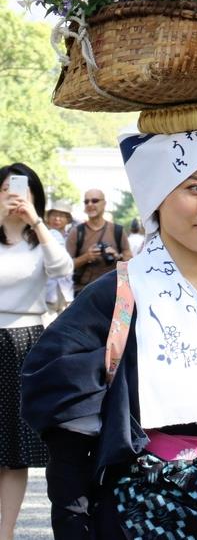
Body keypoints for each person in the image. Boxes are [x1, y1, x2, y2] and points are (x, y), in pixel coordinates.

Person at [22, 129, 197, 539]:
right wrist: (75, 520)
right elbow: (68, 424)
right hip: (145, 510)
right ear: (156, 197)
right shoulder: (113, 298)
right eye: (195, 188)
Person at [0, 163, 74, 540]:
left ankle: (6, 532)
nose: (13, 198)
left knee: (12, 449)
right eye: (6, 190)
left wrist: (37, 222)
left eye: (21, 191)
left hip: (23, 339)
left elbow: (62, 268)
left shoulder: (43, 240)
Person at [65, 189, 131, 295]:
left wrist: (118, 257)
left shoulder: (117, 231)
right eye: (86, 202)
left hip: (114, 292)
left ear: (104, 204)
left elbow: (130, 261)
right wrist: (86, 257)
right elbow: (65, 266)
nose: (90, 204)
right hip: (84, 293)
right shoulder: (76, 232)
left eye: (95, 200)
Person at [44, 200, 76, 318]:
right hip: (47, 291)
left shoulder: (72, 238)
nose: (57, 218)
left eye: (62, 216)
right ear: (49, 217)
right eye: (54, 215)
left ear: (67, 219)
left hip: (66, 292)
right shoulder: (42, 236)